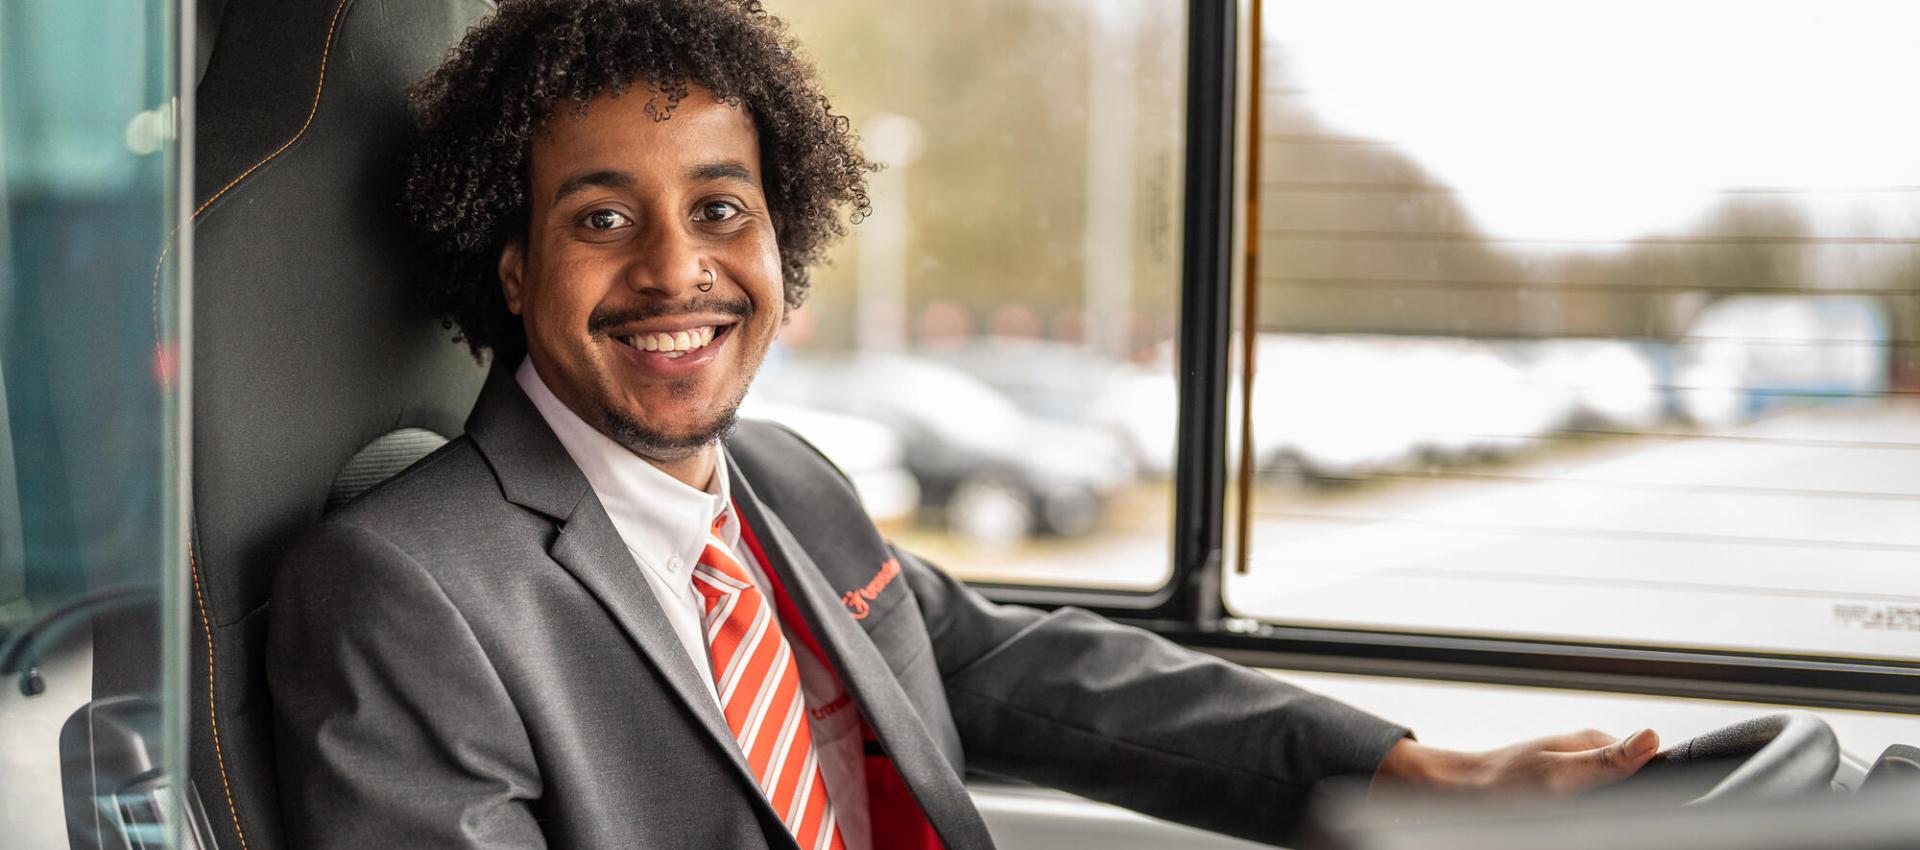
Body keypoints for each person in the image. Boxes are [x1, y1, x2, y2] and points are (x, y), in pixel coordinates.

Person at [265, 1, 1660, 847]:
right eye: (602, 218)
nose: (678, 270)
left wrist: (1408, 768)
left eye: (721, 209)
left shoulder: (790, 489)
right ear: (512, 270)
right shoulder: (405, 586)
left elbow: (1033, 672)